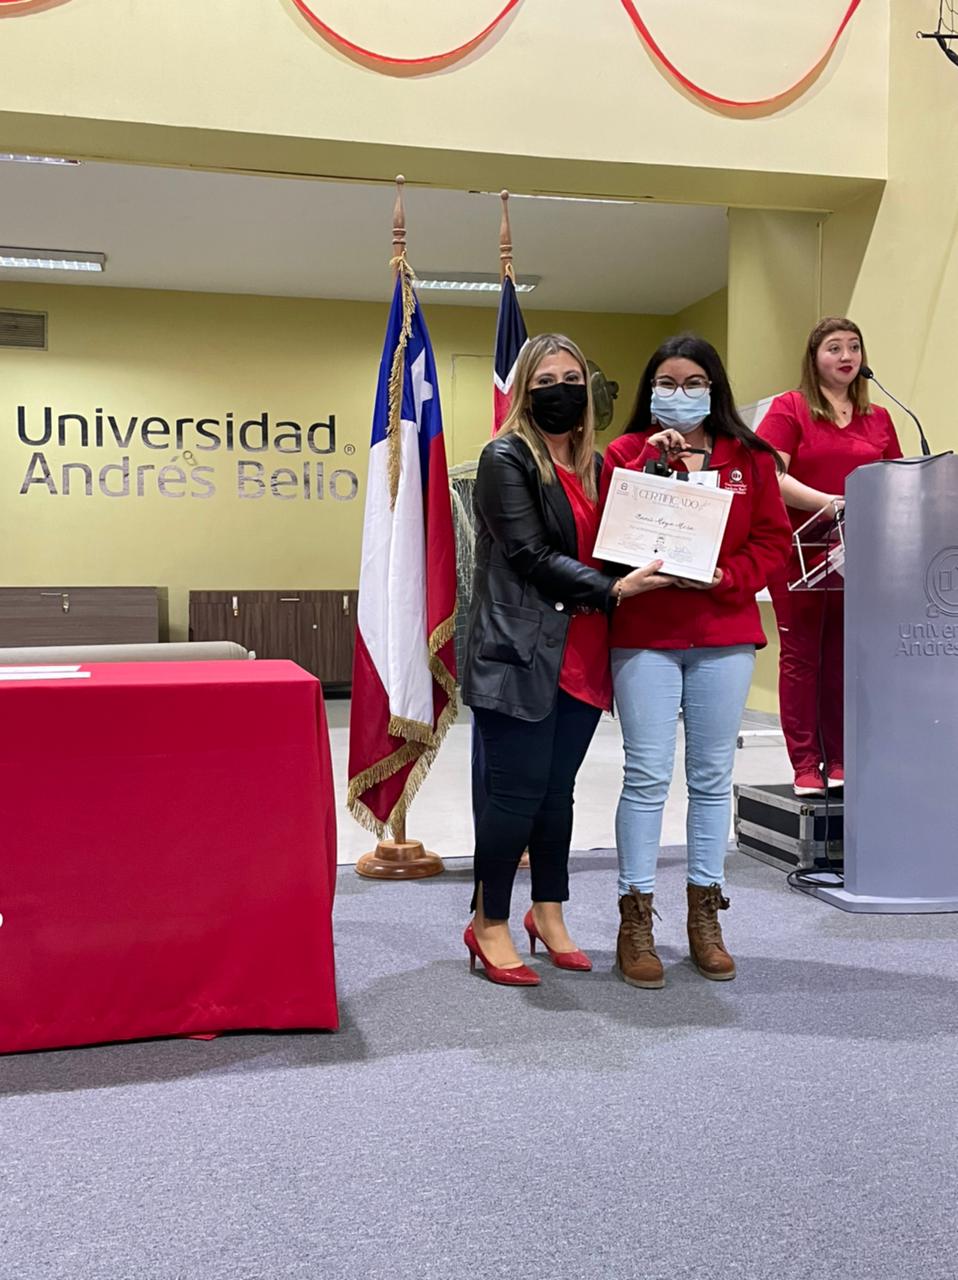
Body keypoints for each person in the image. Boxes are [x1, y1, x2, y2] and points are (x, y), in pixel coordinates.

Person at [461, 333, 670, 987]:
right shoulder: (507, 457)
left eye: (571, 378)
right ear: (527, 391)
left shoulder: (598, 468)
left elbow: (623, 539)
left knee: (557, 797)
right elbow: (526, 556)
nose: (560, 390)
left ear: (589, 389)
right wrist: (612, 590)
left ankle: (547, 913)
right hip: (521, 657)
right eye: (545, 380)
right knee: (515, 797)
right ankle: (488, 921)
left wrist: (661, 482)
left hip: (583, 657)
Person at [600, 334, 791, 989]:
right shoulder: (624, 455)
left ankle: (705, 914)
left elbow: (771, 542)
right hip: (646, 632)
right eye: (667, 382)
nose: (679, 394)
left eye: (692, 383)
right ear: (650, 387)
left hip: (722, 631)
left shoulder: (751, 457)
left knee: (711, 779)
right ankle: (636, 917)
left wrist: (726, 575)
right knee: (647, 774)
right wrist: (650, 470)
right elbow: (606, 539)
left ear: (714, 388)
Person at [756, 317, 903, 796]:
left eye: (854, 347)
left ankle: (840, 759)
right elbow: (770, 475)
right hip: (801, 550)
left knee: (845, 654)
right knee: (802, 657)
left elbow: (896, 480)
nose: (846, 356)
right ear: (814, 358)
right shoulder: (790, 408)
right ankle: (804, 763)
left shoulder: (879, 417)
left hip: (859, 555)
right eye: (834, 348)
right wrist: (833, 503)